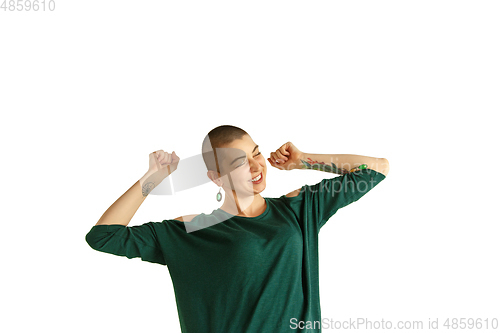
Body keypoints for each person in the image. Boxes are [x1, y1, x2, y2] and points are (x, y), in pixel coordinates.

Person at [85, 125, 389, 333]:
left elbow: (377, 169)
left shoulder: (298, 209)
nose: (256, 166)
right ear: (217, 177)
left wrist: (302, 161)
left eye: (256, 153)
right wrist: (153, 177)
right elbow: (104, 236)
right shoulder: (193, 230)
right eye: (239, 163)